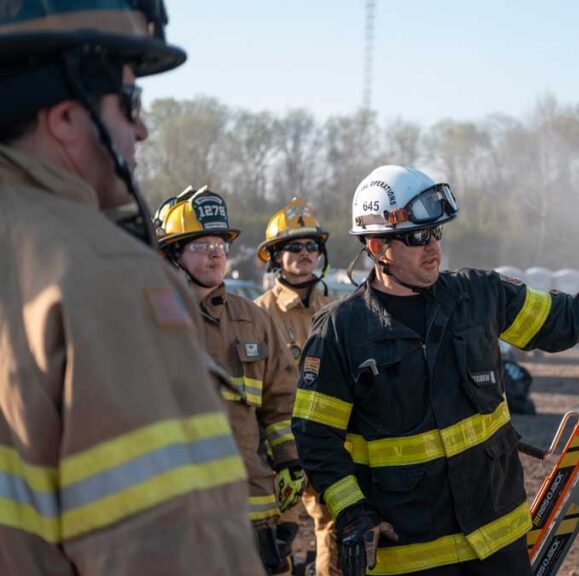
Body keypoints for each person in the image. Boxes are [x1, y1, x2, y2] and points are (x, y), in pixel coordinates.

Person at [292, 165, 579, 576]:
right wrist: (352, 510)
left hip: (499, 545)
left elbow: (564, 320)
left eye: (436, 232)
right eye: (417, 237)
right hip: (411, 558)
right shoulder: (340, 332)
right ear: (376, 245)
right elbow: (315, 435)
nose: (433, 247)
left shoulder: (480, 296)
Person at [0, 1, 263, 574]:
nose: (142, 128)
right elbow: (173, 549)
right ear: (66, 116)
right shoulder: (104, 273)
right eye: (130, 102)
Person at [154, 186, 303, 575]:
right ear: (173, 255)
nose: (217, 252)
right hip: (177, 505)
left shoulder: (253, 319)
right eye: (202, 244)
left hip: (252, 504)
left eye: (220, 242)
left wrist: (289, 464)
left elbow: (281, 402)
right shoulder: (149, 319)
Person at [255, 197, 339, 575]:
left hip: (330, 440)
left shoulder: (340, 308)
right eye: (294, 247)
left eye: (311, 246)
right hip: (279, 449)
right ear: (275, 257)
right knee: (276, 538)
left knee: (336, 528)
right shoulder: (257, 314)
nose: (305, 254)